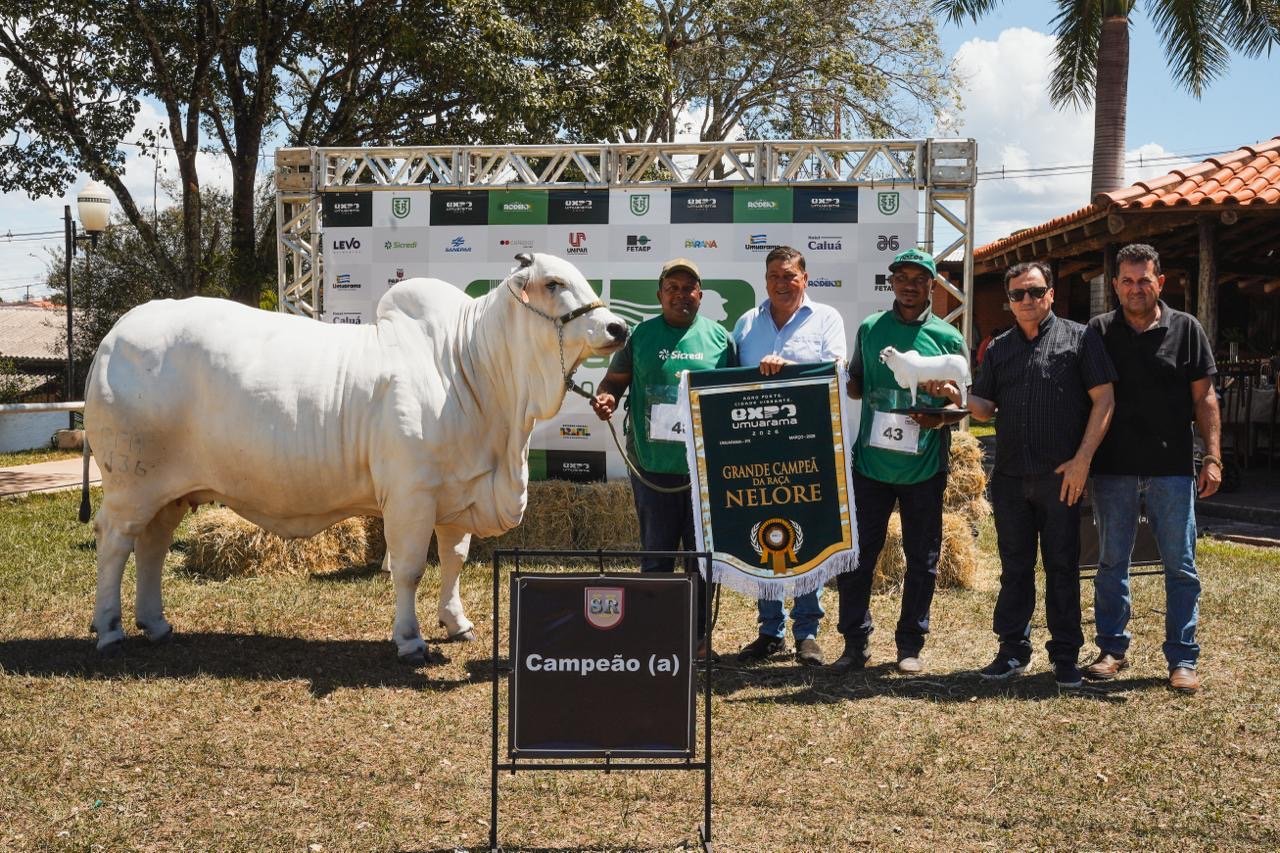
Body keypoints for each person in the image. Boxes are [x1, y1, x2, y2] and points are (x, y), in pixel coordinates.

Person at [930, 261, 1115, 687]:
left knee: (1062, 567)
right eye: (1018, 295)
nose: (1027, 300)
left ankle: (1065, 657)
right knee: (1015, 569)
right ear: (1009, 302)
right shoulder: (999, 348)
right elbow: (985, 407)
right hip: (1011, 477)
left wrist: (1083, 460)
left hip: (1060, 476)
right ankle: (1012, 651)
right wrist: (956, 396)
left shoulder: (1081, 338)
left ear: (1050, 292)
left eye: (1035, 291)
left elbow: (1104, 400)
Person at [1084, 243, 1220, 693]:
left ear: (1160, 282)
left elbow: (1204, 399)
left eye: (1144, 280)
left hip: (1171, 470)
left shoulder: (1187, 329)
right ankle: (1111, 649)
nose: (1135, 288)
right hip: (1114, 469)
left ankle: (1183, 659)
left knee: (1180, 566)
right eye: (1127, 280)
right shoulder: (1099, 331)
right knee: (1111, 564)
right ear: (1115, 286)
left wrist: (1213, 456)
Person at [591, 257, 735, 659]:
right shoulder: (640, 336)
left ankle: (698, 639)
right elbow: (614, 382)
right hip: (651, 468)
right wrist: (606, 398)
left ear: (700, 295)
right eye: (672, 287)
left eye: (688, 288)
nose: (680, 295)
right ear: (659, 295)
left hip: (702, 473)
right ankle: (655, 635)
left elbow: (735, 397)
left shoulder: (721, 338)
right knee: (656, 556)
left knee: (701, 561)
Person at [832, 248, 967, 676]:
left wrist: (941, 411)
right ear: (891, 283)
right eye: (902, 278)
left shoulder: (948, 338)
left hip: (924, 467)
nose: (909, 285)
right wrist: (835, 377)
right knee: (858, 557)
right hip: (871, 466)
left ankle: (910, 644)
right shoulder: (872, 329)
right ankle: (855, 643)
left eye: (919, 279)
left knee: (922, 558)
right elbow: (856, 385)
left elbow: (964, 408)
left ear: (932, 285)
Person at [731, 246, 847, 666]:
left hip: (806, 448)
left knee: (806, 534)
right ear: (765, 280)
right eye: (774, 276)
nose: (782, 283)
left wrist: (789, 366)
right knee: (762, 533)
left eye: (790, 275)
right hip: (754, 449)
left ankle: (807, 631)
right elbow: (729, 380)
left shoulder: (826, 318)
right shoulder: (746, 323)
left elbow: (837, 370)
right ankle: (769, 631)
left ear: (805, 278)